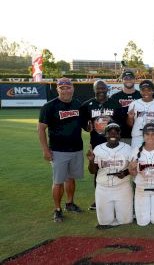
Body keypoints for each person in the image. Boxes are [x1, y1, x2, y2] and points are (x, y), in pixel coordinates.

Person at [38, 78, 84, 223]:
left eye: (68, 87)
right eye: (62, 88)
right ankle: (57, 210)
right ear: (58, 89)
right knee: (58, 181)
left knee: (71, 178)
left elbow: (84, 125)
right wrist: (45, 150)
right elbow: (40, 129)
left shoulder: (78, 104)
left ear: (73, 89)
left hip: (76, 148)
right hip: (58, 150)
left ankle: (69, 203)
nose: (65, 90)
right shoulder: (49, 106)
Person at [80, 80, 121, 211]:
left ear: (107, 89)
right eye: (98, 89)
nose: (101, 91)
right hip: (97, 143)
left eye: (103, 88)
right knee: (97, 171)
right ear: (94, 90)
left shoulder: (115, 104)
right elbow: (83, 123)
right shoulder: (87, 105)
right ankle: (99, 199)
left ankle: (117, 198)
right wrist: (87, 127)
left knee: (115, 168)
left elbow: (121, 123)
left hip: (114, 143)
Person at [86, 123, 133, 228]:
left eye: (116, 132)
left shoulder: (127, 148)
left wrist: (125, 173)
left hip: (122, 187)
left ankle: (120, 212)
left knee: (126, 221)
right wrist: (91, 161)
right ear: (105, 135)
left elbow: (133, 168)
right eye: (110, 132)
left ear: (120, 135)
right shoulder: (98, 149)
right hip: (103, 188)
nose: (113, 135)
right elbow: (92, 171)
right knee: (104, 222)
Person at [127, 80, 154, 148]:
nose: (146, 92)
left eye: (148, 90)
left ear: (153, 91)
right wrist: (130, 117)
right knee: (136, 157)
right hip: (138, 136)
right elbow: (130, 124)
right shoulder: (134, 104)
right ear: (140, 91)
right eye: (143, 90)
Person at [110, 70, 141, 146]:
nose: (128, 80)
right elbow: (112, 118)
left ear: (134, 80)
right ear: (122, 80)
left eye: (131, 78)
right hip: (121, 136)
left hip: (139, 136)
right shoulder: (114, 97)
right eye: (126, 78)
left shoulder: (141, 96)